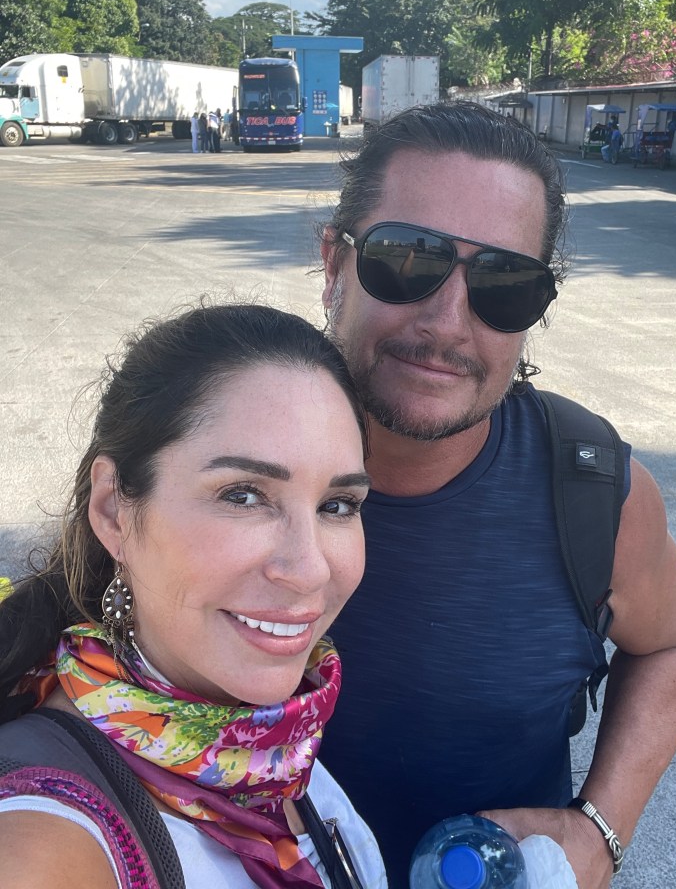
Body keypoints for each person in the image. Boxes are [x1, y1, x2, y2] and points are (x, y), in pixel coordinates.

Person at [317, 102, 676, 888]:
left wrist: (601, 827)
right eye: (407, 260)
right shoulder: (217, 447)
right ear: (334, 265)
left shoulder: (593, 492)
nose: (447, 323)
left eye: (503, 282)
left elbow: (672, 645)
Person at [0, 303, 386, 889]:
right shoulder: (42, 849)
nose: (309, 570)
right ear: (113, 510)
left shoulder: (268, 751)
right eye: (243, 495)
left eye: (337, 505)